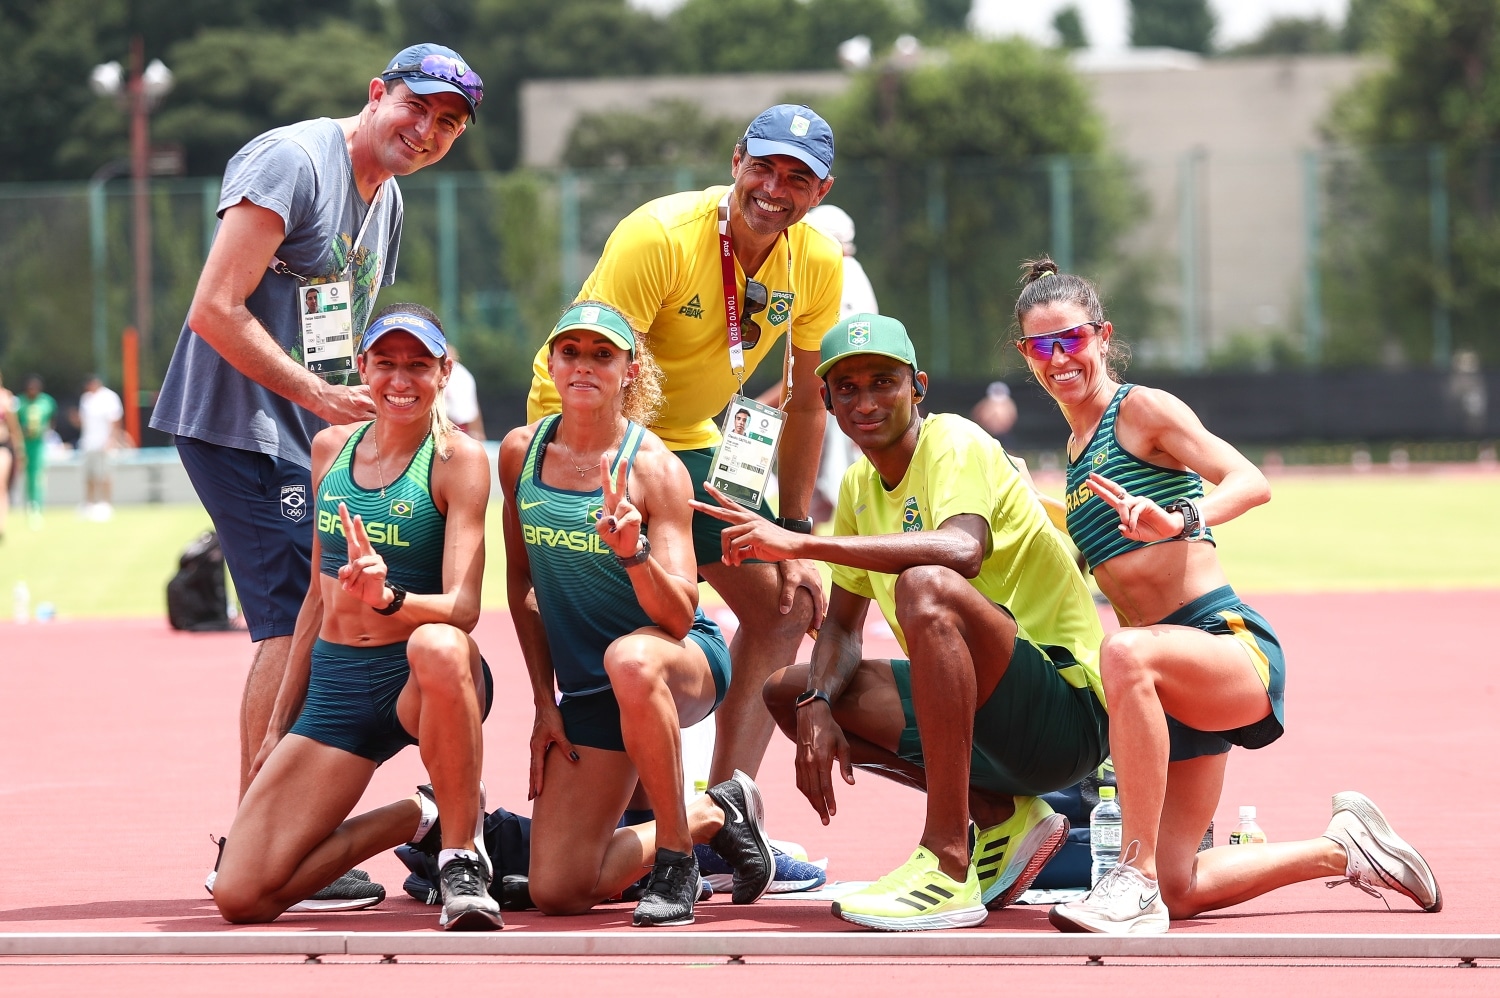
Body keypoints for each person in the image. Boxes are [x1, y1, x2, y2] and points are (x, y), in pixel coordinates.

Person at [1008, 259, 1440, 935]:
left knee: (1123, 654)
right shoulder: (1074, 448)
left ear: (1101, 335)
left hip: (1224, 647)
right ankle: (1344, 848)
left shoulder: (1141, 409)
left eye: (1072, 340)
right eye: (1041, 346)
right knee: (1183, 889)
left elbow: (1248, 479)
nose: (1059, 358)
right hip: (1168, 681)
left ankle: (1131, 878)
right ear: (1024, 355)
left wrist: (1181, 520)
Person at [148, 42, 481, 905]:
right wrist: (312, 397)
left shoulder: (390, 198)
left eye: (449, 124)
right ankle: (250, 829)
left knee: (331, 600)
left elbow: (360, 339)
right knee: (280, 619)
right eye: (417, 107)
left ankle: (329, 813)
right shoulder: (291, 160)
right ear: (376, 94)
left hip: (309, 432)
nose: (428, 130)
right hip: (241, 424)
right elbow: (214, 309)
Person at [698, 314, 1111, 931]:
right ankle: (999, 811)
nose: (866, 402)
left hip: (1064, 711)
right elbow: (839, 628)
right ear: (828, 401)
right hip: (987, 716)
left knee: (927, 586)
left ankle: (947, 863)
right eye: (849, 388)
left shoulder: (954, 442)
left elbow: (960, 552)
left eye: (883, 382)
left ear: (917, 385)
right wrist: (816, 703)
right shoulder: (861, 484)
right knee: (788, 689)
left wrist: (799, 546)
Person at [525, 104, 842, 872]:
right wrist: (605, 476)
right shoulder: (660, 236)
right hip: (587, 428)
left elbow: (805, 399)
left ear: (820, 192)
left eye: (796, 178)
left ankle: (730, 810)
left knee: (789, 599)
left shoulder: (818, 263)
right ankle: (631, 801)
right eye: (763, 166)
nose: (774, 188)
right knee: (630, 616)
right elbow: (587, 363)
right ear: (736, 160)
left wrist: (794, 528)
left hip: (694, 441)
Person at [210, 304, 501, 931]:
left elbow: (464, 608)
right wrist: (277, 728)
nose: (402, 379)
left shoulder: (459, 459)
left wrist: (388, 597)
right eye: (387, 363)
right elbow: (314, 598)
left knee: (441, 646)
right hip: (340, 688)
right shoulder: (328, 449)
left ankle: (461, 856)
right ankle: (412, 817)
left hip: (418, 679)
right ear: (362, 367)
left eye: (418, 365)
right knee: (241, 896)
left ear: (443, 372)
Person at [502, 301, 774, 926]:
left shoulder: (655, 468)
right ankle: (717, 813)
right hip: (594, 690)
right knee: (558, 891)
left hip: (678, 663)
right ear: (551, 362)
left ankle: (678, 860)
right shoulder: (521, 452)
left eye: (603, 355)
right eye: (570, 352)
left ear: (630, 370)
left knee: (630, 657)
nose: (584, 366)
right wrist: (546, 704)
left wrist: (635, 555)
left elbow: (680, 615)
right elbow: (522, 585)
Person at [803, 203, 877, 527]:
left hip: (840, 391)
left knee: (840, 474)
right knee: (824, 476)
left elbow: (847, 349)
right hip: (835, 390)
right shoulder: (848, 273)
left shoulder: (844, 275)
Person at [77, 374, 125, 521]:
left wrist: (112, 439)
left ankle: (106, 504)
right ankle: (89, 504)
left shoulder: (109, 397)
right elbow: (83, 422)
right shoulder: (86, 399)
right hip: (88, 443)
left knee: (105, 474)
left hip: (104, 443)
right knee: (89, 475)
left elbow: (116, 420)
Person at [16, 374, 55, 523]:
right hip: (23, 443)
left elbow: (52, 420)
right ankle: (24, 504)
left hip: (38, 444)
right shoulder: (20, 402)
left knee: (37, 476)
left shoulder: (47, 402)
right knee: (23, 475)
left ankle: (37, 505)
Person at [443, 345, 486, 440]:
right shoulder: (436, 373)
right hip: (441, 426)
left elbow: (472, 407)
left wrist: (478, 431)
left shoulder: (463, 376)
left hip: (459, 427)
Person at [0, 369, 21, 540]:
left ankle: (1, 526)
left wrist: (19, 450)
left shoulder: (6, 398)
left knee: (1, 486)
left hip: (2, 446)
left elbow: (14, 428)